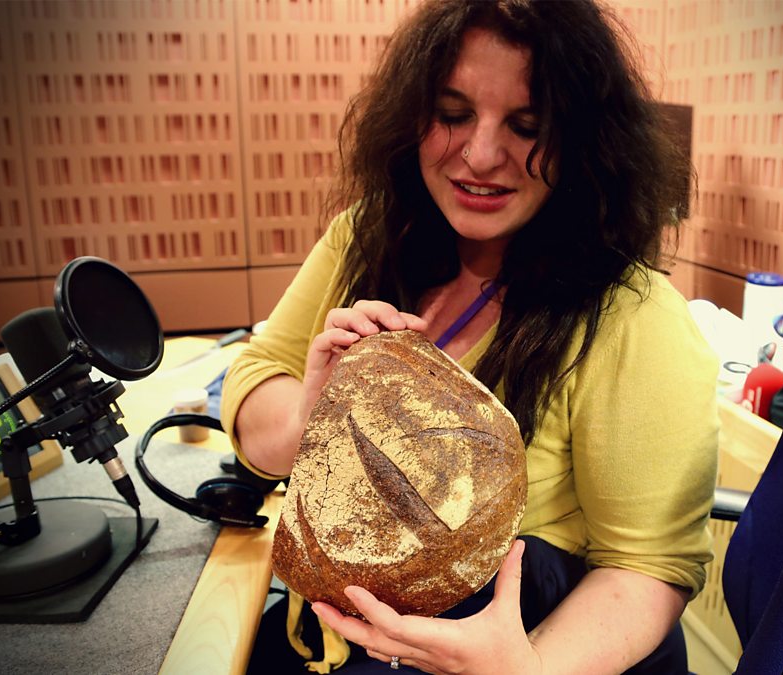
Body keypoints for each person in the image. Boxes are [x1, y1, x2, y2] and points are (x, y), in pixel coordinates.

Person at [220, 1, 719, 673]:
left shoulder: (635, 318)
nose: (481, 155)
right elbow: (255, 392)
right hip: (343, 637)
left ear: (582, 142)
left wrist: (521, 669)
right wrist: (309, 414)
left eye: (528, 126)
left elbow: (646, 567)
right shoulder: (365, 237)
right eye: (453, 115)